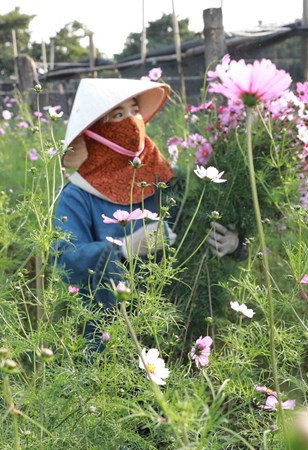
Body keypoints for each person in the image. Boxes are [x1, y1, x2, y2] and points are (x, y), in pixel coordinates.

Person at [52, 78, 240, 348]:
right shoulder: (77, 195)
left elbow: (200, 230)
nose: (131, 122)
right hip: (113, 336)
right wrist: (123, 250)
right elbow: (65, 261)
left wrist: (231, 241)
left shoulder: (172, 180)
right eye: (117, 115)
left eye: (135, 111)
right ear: (94, 132)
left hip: (180, 329)